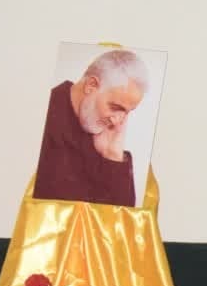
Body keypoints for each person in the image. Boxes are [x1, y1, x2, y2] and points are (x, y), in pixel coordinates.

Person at [34, 49, 150, 207]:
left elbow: (121, 219)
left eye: (127, 113)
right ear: (91, 85)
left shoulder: (104, 135)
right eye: (115, 107)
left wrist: (112, 157)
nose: (117, 122)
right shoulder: (38, 118)